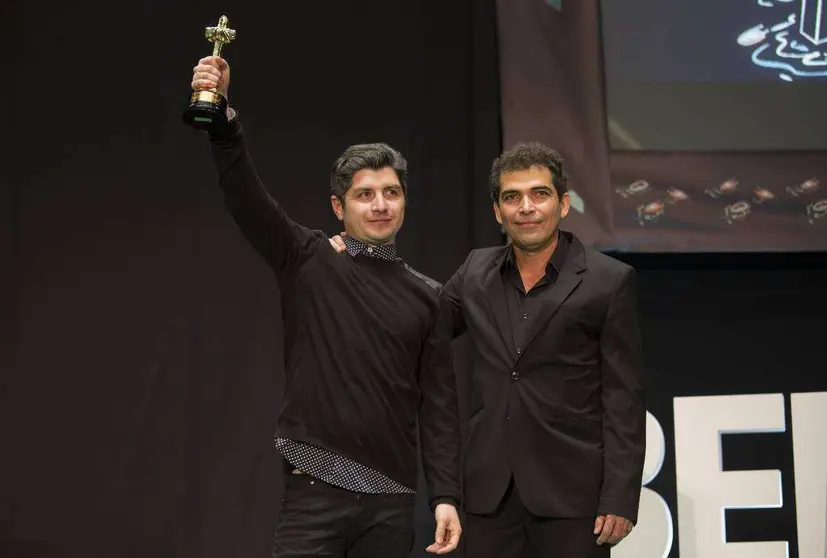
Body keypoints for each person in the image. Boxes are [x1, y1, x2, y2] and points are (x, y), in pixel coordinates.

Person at [190, 56, 462, 557]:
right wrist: (223, 125)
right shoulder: (308, 258)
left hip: (392, 502)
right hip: (314, 493)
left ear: (404, 202)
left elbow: (440, 406)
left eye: (391, 193)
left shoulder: (430, 295)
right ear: (339, 207)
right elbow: (248, 200)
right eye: (364, 195)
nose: (379, 204)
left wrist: (445, 495)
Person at [330, 141, 645, 557]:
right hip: (488, 497)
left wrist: (620, 496)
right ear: (498, 212)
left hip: (574, 498)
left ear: (564, 204)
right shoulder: (476, 271)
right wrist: (358, 265)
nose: (526, 207)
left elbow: (624, 399)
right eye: (512, 197)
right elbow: (418, 325)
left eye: (540, 194)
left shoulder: (608, 280)